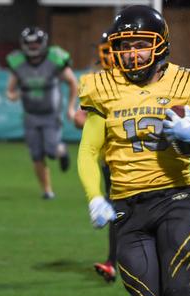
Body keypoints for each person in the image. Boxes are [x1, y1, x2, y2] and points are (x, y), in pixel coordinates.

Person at [77, 6, 190, 296]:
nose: (132, 54)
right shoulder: (102, 85)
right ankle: (182, 293)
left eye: (141, 44)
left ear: (160, 46)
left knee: (180, 292)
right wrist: (96, 197)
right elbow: (88, 150)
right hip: (128, 206)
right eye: (124, 46)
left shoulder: (186, 82)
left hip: (176, 197)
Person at [6, 26, 78, 200]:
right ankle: (47, 191)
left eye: (36, 43)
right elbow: (9, 90)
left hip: (51, 114)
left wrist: (70, 107)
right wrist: (14, 95)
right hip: (30, 115)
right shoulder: (19, 63)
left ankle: (61, 151)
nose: (33, 47)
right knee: (36, 155)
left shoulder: (54, 58)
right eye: (29, 44)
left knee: (51, 151)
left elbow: (73, 82)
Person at [73, 28, 118, 283]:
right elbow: (81, 118)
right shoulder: (94, 81)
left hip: (141, 159)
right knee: (118, 212)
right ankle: (113, 261)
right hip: (109, 159)